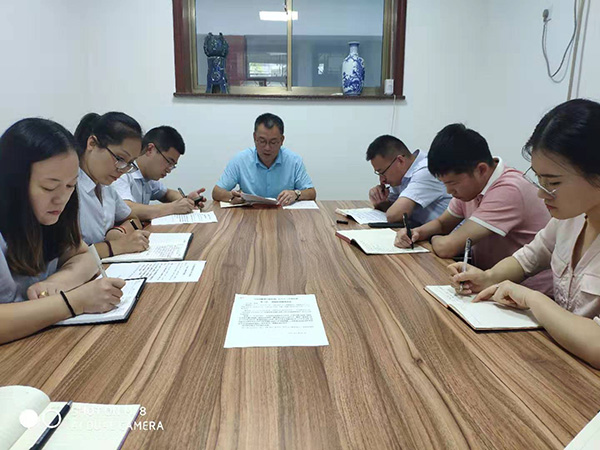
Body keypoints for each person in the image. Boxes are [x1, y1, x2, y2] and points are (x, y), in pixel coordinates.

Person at [449, 99, 600, 368]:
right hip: (559, 359)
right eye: (538, 180)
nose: (541, 194)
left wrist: (532, 299)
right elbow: (529, 257)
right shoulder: (573, 217)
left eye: (552, 183)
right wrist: (488, 278)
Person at [0, 118, 125, 344]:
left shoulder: (50, 217)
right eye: (48, 187)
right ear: (12, 183)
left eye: (70, 186)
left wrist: (57, 283)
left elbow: (85, 255)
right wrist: (73, 302)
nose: (61, 199)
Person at [395, 124, 552, 294]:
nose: (449, 191)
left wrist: (432, 239)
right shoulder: (470, 188)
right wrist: (416, 233)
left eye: (452, 183)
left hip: (529, 293)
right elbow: (442, 224)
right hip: (489, 282)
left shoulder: (509, 189)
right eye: (445, 184)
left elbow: (447, 247)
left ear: (481, 170)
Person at [75, 112, 150, 259]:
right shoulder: (67, 188)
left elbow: (133, 219)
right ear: (92, 143)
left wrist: (119, 231)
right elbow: (66, 254)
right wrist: (117, 246)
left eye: (129, 163)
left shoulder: (106, 187)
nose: (123, 170)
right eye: (120, 158)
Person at [212, 113, 316, 206]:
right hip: (250, 216)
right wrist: (231, 197)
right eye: (262, 141)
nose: (267, 148)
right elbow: (216, 192)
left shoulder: (294, 161)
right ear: (254, 137)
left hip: (284, 216)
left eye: (273, 142)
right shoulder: (240, 160)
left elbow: (311, 192)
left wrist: (296, 194)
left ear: (282, 140)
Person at [113, 126, 206, 221]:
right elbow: (126, 208)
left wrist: (187, 200)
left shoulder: (148, 177)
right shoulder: (123, 172)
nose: (169, 170)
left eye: (172, 165)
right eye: (169, 162)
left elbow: (167, 193)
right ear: (150, 149)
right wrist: (172, 208)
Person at [366, 135, 450, 224]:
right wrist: (380, 200)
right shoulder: (400, 176)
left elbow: (394, 215)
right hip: (422, 229)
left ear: (400, 161)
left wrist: (389, 207)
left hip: (448, 232)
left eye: (382, 172)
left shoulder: (427, 170)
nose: (382, 180)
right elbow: (393, 208)